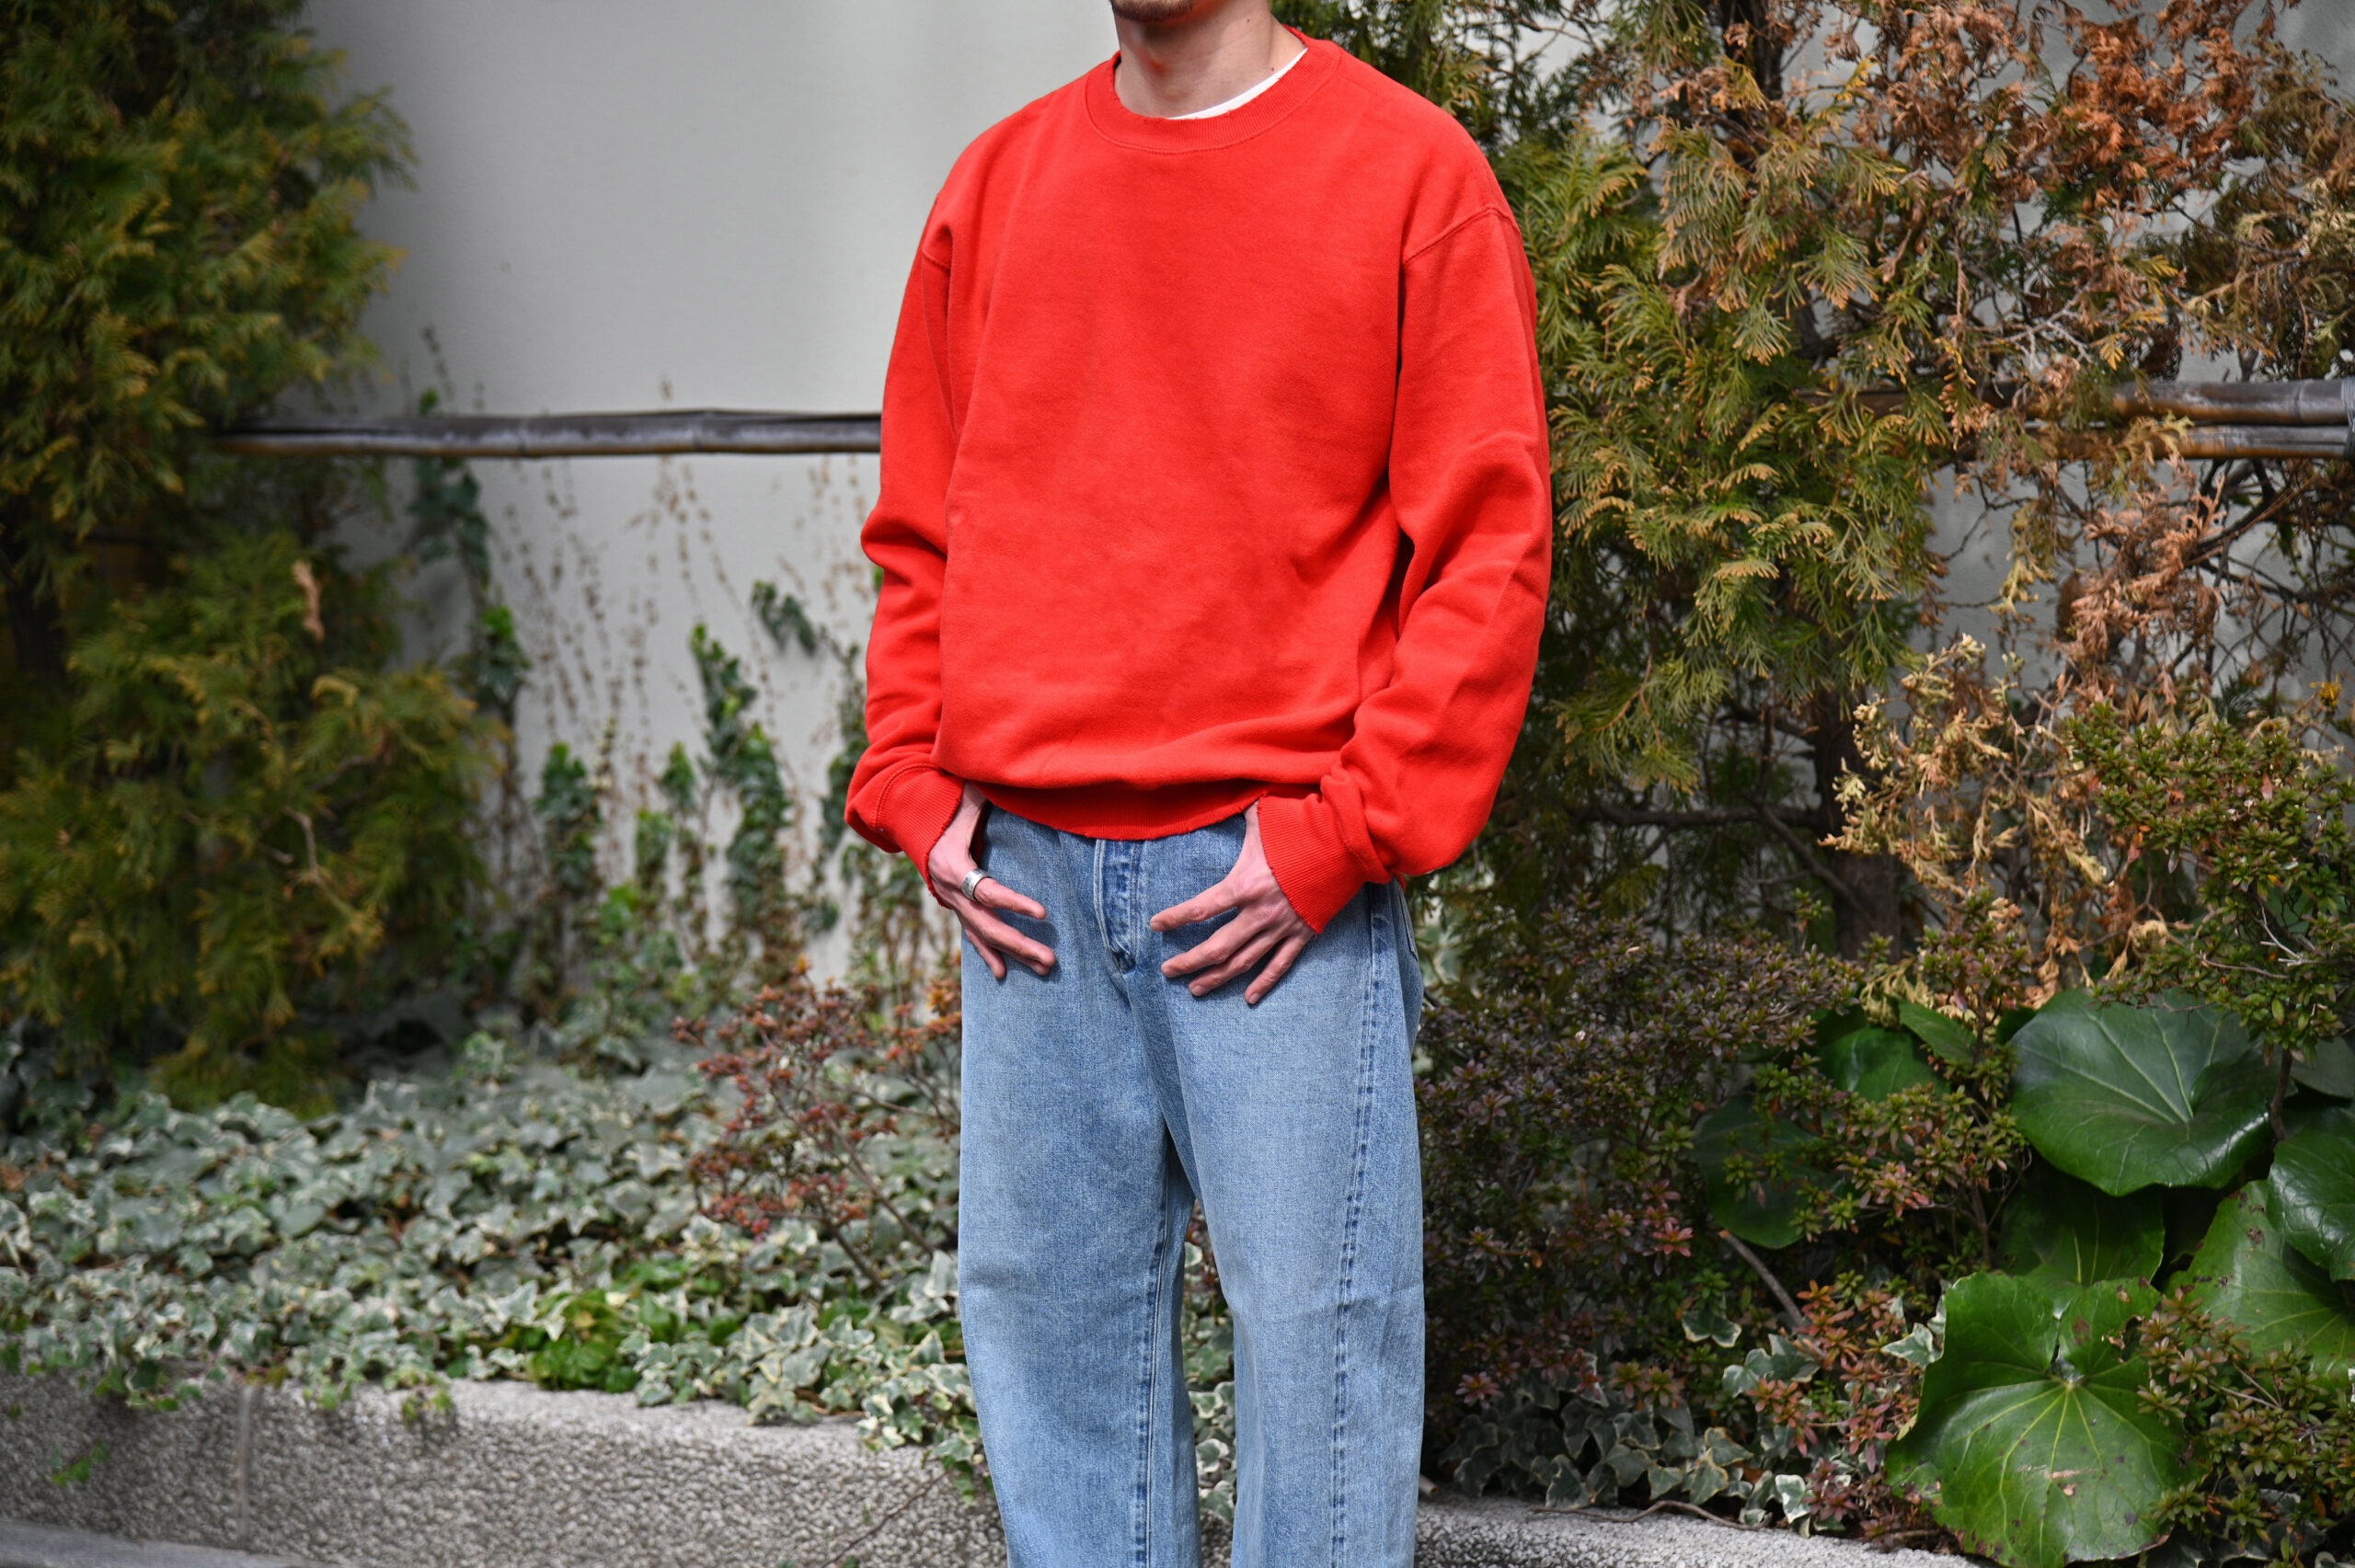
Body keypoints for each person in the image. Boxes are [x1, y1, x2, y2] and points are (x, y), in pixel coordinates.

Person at [843, 1, 1552, 1562]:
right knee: (1055, 1357)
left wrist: (1344, 835)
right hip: (1026, 886)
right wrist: (910, 777)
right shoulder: (996, 188)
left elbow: (1489, 550)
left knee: (1320, 1369)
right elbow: (921, 526)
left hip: (1272, 882)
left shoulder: (1411, 176)